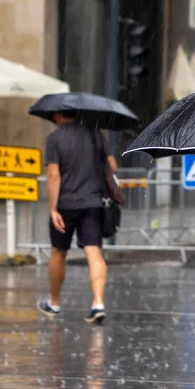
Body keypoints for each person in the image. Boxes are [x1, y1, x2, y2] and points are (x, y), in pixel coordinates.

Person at [37, 111, 116, 325]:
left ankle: (53, 303)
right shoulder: (95, 134)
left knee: (59, 251)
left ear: (59, 115)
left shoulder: (54, 139)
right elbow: (113, 167)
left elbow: (54, 175)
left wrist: (53, 209)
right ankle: (98, 303)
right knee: (93, 251)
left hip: (65, 205)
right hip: (93, 202)